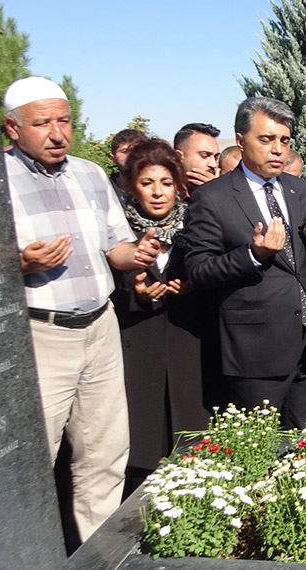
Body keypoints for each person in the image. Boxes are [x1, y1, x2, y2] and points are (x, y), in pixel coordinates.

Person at [3, 76, 160, 542]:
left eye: (64, 120)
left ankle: (99, 552)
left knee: (105, 453)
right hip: (40, 336)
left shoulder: (90, 175)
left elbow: (117, 251)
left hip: (99, 326)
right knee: (33, 458)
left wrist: (141, 252)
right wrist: (19, 264)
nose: (58, 133)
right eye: (42, 123)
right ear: (12, 129)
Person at [178, 96, 306, 429]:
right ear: (241, 141)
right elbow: (199, 270)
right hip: (255, 351)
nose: (278, 149)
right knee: (259, 451)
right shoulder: (213, 198)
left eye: (284, 141)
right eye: (267, 139)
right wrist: (253, 255)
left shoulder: (300, 190)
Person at [110, 139, 210, 496]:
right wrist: (134, 294)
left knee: (194, 448)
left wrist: (194, 287)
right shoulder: (117, 233)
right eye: (147, 183)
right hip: (139, 351)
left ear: (178, 184)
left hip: (191, 348)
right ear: (131, 186)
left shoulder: (198, 227)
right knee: (143, 451)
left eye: (166, 183)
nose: (157, 193)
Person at [173, 122, 220, 196]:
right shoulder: (163, 194)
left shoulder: (223, 193)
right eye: (204, 155)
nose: (213, 164)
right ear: (178, 156)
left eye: (216, 157)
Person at [108, 128, 148, 197]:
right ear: (113, 158)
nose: (131, 155)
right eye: (125, 151)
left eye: (136, 150)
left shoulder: (160, 190)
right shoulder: (104, 191)